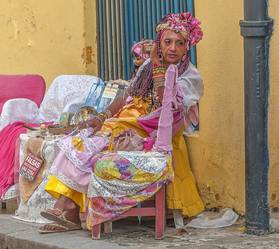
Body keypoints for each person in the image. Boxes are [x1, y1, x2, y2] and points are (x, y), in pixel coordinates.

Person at [38, 12, 204, 233]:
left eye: (179, 43)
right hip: (126, 122)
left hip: (152, 132)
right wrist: (101, 117)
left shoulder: (190, 77)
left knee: (93, 144)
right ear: (159, 44)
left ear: (187, 48)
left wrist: (157, 67)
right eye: (168, 42)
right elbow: (127, 95)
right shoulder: (147, 67)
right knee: (81, 138)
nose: (173, 48)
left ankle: (67, 208)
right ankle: (69, 208)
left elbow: (168, 103)